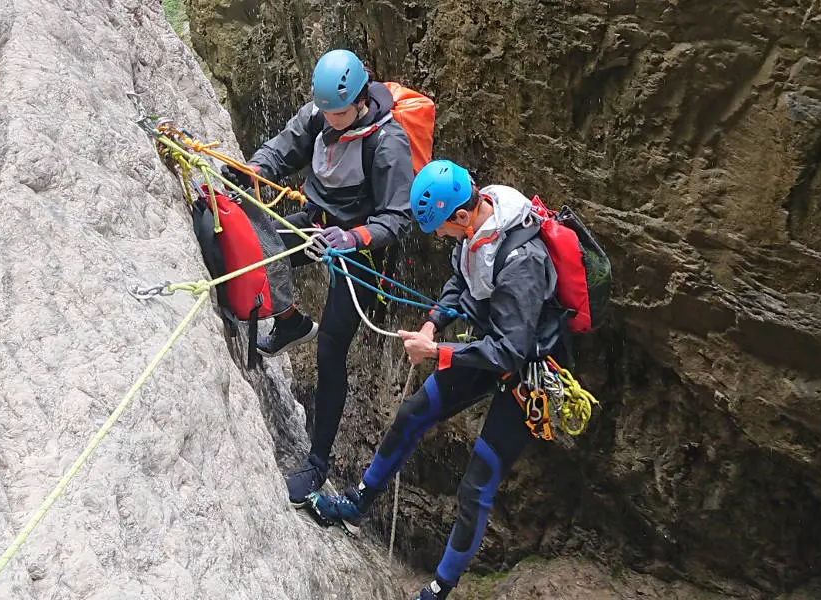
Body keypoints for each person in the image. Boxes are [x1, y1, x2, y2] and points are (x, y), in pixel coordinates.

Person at [307, 159, 565, 600]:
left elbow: (512, 349)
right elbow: (460, 281)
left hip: (531, 367)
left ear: (461, 215)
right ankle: (357, 505)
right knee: (414, 412)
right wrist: (432, 324)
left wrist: (437, 352)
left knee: (478, 480)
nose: (441, 236)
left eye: (443, 228)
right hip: (488, 343)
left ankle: (439, 588)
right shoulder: (478, 228)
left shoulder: (522, 260)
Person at [222, 49, 414, 505]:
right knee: (259, 242)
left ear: (362, 100)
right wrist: (254, 170)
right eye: (324, 111)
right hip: (318, 221)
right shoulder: (321, 116)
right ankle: (288, 319)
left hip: (364, 254)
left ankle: (316, 464)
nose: (329, 120)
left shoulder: (388, 144)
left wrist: (352, 239)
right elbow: (280, 148)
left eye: (338, 112)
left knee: (330, 348)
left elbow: (400, 219)